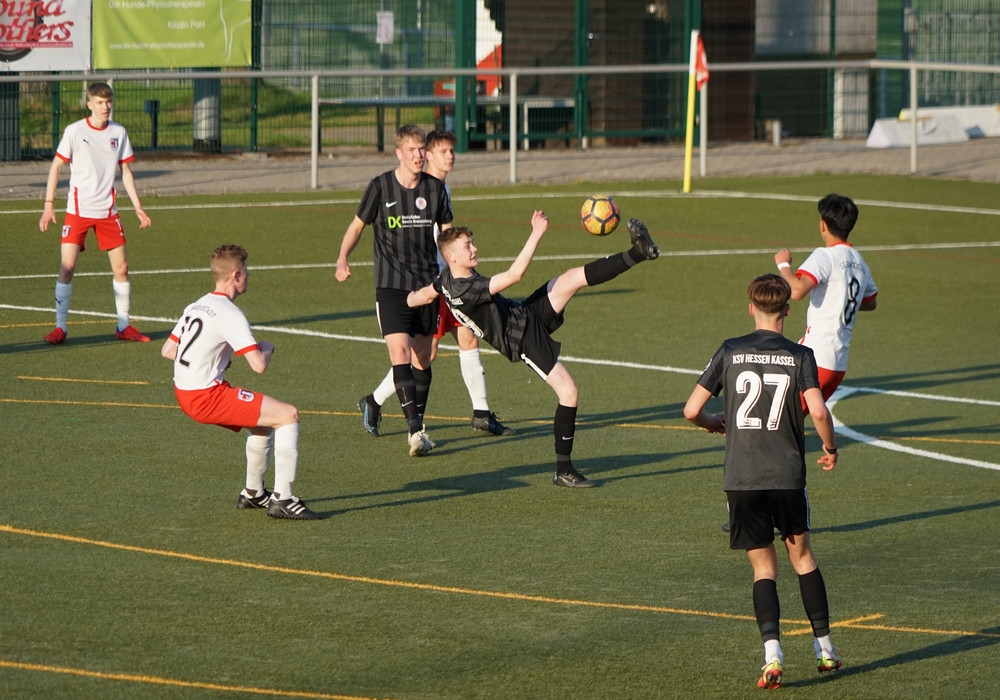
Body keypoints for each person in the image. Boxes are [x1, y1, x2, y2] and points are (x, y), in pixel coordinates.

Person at [408, 212, 660, 488]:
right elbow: (515, 275)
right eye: (468, 246)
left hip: (523, 314)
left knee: (571, 278)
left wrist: (406, 301)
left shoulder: (445, 278)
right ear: (451, 256)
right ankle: (563, 471)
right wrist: (537, 232)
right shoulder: (468, 289)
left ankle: (638, 252)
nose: (475, 248)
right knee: (569, 392)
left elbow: (426, 294)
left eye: (472, 243)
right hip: (522, 339)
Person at [683, 273, 842, 689]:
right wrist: (830, 447)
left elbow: (691, 409)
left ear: (751, 308)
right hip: (786, 476)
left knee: (763, 569)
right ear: (787, 310)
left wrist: (711, 421)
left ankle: (772, 656)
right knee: (803, 559)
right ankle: (825, 649)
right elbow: (819, 411)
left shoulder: (730, 350)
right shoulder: (800, 355)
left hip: (743, 477)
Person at [358, 130, 513, 439]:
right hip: (431, 283)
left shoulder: (440, 189)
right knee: (423, 354)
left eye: (452, 151)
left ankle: (481, 413)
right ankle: (375, 401)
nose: (450, 157)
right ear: (427, 155)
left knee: (467, 336)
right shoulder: (420, 188)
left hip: (449, 280)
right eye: (443, 152)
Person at [161, 245, 318, 520]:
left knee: (263, 424)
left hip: (186, 392)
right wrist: (267, 348)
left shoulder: (196, 305)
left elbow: (168, 350)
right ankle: (283, 498)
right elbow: (258, 366)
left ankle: (253, 493)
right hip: (205, 396)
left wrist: (212, 358)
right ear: (236, 275)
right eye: (246, 270)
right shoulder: (230, 313)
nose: (248, 275)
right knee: (288, 415)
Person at [336, 124, 453, 458]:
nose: (419, 155)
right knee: (400, 355)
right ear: (399, 152)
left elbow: (446, 234)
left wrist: (457, 268)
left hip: (427, 285)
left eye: (422, 149)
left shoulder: (435, 189)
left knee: (423, 359)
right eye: (412, 150)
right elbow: (356, 227)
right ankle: (414, 431)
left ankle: (398, 414)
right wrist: (342, 258)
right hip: (391, 287)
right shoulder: (380, 187)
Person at [38, 81, 152, 345]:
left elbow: (126, 172)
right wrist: (48, 205)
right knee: (67, 267)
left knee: (122, 267)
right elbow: (56, 166)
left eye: (108, 101)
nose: (105, 106)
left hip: (108, 212)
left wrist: (138, 207)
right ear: (89, 104)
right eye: (100, 102)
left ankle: (124, 325)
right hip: (78, 212)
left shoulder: (118, 132)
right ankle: (60, 328)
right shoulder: (74, 131)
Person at [774, 193, 878, 403]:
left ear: (823, 224)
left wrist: (783, 265)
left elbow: (797, 291)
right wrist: (839, 297)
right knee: (797, 416)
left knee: (777, 412)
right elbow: (870, 302)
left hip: (816, 356)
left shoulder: (825, 256)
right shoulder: (859, 262)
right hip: (838, 363)